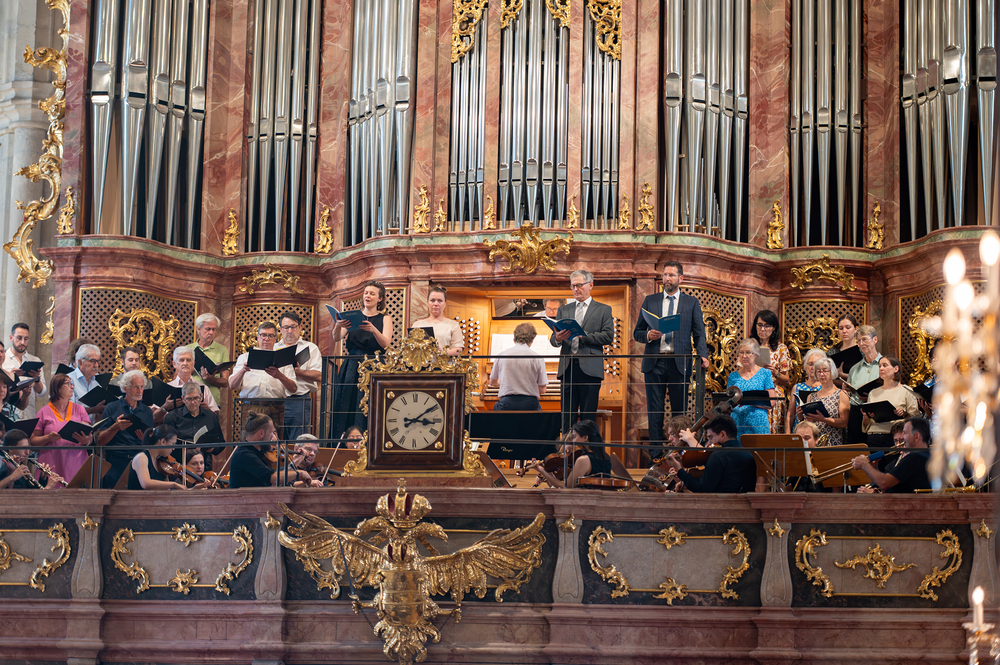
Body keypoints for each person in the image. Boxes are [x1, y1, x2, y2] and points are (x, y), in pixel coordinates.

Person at [632, 262, 710, 450]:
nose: (667, 279)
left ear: (680, 278)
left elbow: (699, 333)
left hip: (680, 362)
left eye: (671, 275)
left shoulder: (691, 302)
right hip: (655, 361)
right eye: (665, 275)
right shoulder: (650, 301)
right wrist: (648, 335)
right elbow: (637, 332)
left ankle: (680, 453)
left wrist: (703, 355)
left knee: (680, 412)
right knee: (655, 412)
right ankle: (656, 456)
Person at [550, 270, 614, 432]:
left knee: (587, 418)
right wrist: (557, 338)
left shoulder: (603, 310)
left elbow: (608, 336)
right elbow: (553, 339)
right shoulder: (564, 310)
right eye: (572, 286)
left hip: (590, 370)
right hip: (568, 368)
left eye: (579, 285)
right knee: (567, 418)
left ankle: (586, 448)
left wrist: (584, 336)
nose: (575, 289)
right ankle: (567, 448)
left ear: (590, 285)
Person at [332, 280, 394, 437]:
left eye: (372, 293)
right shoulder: (354, 316)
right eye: (366, 293)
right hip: (352, 364)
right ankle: (345, 440)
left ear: (380, 298)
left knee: (370, 402)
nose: (368, 296)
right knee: (348, 400)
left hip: (374, 364)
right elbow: (336, 337)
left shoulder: (385, 318)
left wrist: (374, 330)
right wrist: (338, 325)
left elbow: (386, 343)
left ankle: (370, 439)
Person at [230, 321, 297, 435]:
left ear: (275, 338)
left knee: (275, 441)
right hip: (251, 407)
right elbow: (232, 385)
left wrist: (279, 376)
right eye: (263, 335)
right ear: (258, 337)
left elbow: (293, 388)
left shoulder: (284, 359)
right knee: (249, 440)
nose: (267, 339)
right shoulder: (244, 357)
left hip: (275, 407)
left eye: (270, 336)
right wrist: (243, 371)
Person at [664, 415, 756, 493]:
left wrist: (679, 470)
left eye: (711, 437)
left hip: (720, 505)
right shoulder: (748, 454)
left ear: (723, 434)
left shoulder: (718, 456)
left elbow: (702, 489)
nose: (709, 443)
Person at [97, 369, 155, 488]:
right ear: (125, 388)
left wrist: (145, 440)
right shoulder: (111, 408)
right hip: (116, 461)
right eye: (136, 387)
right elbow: (100, 441)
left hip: (140, 461)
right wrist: (115, 428)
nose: (140, 391)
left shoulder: (147, 411)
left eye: (142, 387)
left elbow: (152, 444)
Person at [30, 373, 92, 481]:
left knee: (76, 490)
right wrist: (48, 438)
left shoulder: (80, 409)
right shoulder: (43, 412)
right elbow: (33, 441)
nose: (72, 386)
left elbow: (88, 436)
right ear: (57, 388)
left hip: (75, 461)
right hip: (51, 462)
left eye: (72, 383)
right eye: (68, 384)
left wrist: (86, 440)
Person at [229, 412, 312, 489]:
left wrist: (295, 463)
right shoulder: (244, 454)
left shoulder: (258, 453)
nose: (273, 437)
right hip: (245, 499)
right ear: (261, 433)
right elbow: (273, 478)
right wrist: (299, 473)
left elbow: (274, 483)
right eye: (271, 432)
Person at [274, 311, 322, 439]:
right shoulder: (274, 348)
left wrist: (299, 372)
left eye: (293, 327)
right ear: (280, 329)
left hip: (299, 400)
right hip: (275, 400)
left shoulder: (310, 348)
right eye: (286, 327)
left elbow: (319, 376)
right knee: (274, 439)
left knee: (298, 440)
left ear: (300, 327)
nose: (289, 331)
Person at [852, 416, 931, 492]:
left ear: (916, 436)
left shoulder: (914, 458)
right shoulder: (927, 455)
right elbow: (889, 488)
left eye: (905, 433)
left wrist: (864, 464)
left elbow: (884, 483)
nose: (902, 437)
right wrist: (874, 469)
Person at [530, 420, 613, 489]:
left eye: (574, 437)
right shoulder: (606, 456)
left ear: (585, 438)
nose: (573, 441)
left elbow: (567, 488)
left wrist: (542, 471)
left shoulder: (583, 460)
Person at [163, 382, 226, 471]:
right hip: (179, 466)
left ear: (201, 397)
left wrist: (212, 448)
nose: (193, 402)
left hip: (203, 467)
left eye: (196, 398)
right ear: (183, 399)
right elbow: (165, 445)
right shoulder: (172, 417)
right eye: (189, 399)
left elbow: (221, 444)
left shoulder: (211, 416)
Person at [862, 356, 919, 448]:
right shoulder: (873, 393)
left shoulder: (906, 390)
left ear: (896, 369)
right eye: (879, 366)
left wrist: (904, 413)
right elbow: (866, 425)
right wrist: (866, 417)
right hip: (874, 436)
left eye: (885, 365)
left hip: (895, 437)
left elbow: (915, 417)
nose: (881, 368)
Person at [749, 310, 791, 433]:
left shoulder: (781, 348)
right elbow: (740, 371)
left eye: (767, 326)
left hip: (773, 391)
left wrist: (775, 373)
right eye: (760, 325)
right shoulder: (749, 347)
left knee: (772, 434)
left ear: (774, 328)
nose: (763, 329)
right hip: (754, 390)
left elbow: (787, 381)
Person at [489, 322, 548, 411]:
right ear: (532, 339)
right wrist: (527, 387)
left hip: (506, 405)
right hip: (530, 405)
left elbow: (492, 382)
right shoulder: (538, 358)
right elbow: (543, 390)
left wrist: (509, 384)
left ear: (514, 337)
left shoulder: (501, 355)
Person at [727, 339, 776, 441]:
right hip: (737, 422)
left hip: (758, 424)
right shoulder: (732, 376)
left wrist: (750, 401)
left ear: (756, 354)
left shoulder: (765, 373)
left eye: (748, 352)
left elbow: (772, 402)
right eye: (741, 352)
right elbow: (728, 402)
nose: (744, 356)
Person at [797, 357, 849, 447]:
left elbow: (844, 423)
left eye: (825, 371)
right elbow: (809, 423)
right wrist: (800, 417)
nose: (821, 374)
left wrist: (823, 419)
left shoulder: (841, 394)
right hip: (815, 443)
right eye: (818, 371)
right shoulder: (811, 396)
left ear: (832, 372)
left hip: (833, 441)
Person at [127, 425, 200, 490]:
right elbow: (146, 484)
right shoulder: (141, 457)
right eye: (173, 444)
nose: (173, 448)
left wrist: (192, 490)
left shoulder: (161, 462)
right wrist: (174, 484)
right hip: (138, 500)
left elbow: (167, 492)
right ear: (163, 442)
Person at [3, 323, 47, 419]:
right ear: (11, 338)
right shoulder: (3, 359)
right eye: (19, 338)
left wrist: (37, 379)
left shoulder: (35, 360)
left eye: (26, 339)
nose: (22, 342)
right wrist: (10, 376)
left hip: (29, 414)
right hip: (7, 414)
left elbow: (42, 393)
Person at [189, 313, 230, 406]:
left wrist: (211, 379)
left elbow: (225, 382)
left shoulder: (222, 350)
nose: (211, 332)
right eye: (208, 329)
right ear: (198, 329)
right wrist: (192, 368)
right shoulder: (188, 349)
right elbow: (177, 377)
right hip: (190, 400)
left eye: (213, 329)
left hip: (212, 402)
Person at [411, 286, 464, 356]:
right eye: (432, 300)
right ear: (427, 303)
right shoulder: (417, 325)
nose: (436, 304)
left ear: (445, 304)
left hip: (445, 362)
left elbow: (458, 350)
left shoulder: (453, 325)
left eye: (440, 301)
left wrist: (442, 352)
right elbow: (411, 349)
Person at [168, 347, 220, 413]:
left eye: (188, 360)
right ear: (174, 364)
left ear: (193, 364)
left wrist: (207, 409)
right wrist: (164, 408)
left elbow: (215, 415)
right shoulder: (167, 387)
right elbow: (156, 416)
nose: (185, 363)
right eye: (181, 360)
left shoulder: (204, 388)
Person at [786, 348, 825, 433]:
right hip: (799, 431)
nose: (813, 367)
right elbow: (791, 415)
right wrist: (787, 435)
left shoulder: (826, 387)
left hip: (820, 431)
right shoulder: (797, 387)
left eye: (817, 364)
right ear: (805, 367)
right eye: (810, 364)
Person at [69, 344, 106, 422]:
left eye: (97, 361)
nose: (96, 365)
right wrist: (94, 409)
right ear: (80, 363)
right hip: (73, 427)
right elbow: (67, 410)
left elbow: (97, 416)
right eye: (92, 361)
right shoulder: (69, 380)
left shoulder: (96, 384)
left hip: (91, 428)